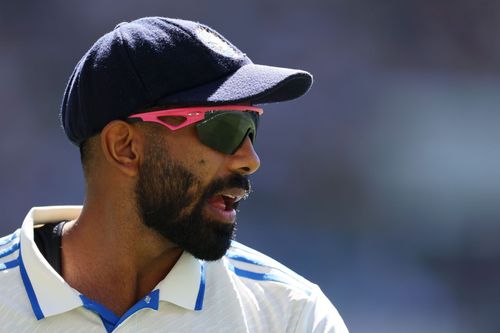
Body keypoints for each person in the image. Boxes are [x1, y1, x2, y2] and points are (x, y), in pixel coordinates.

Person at [0, 17, 348, 332]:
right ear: (125, 147)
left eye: (251, 124)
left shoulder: (293, 317)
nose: (250, 159)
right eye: (225, 127)